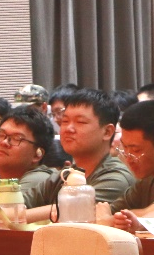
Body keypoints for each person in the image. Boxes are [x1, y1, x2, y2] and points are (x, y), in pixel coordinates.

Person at [20, 88, 136, 221]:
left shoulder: (116, 177)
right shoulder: (63, 176)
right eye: (65, 121)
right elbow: (18, 205)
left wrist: (16, 216)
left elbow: (72, 210)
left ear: (107, 132)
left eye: (80, 122)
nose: (68, 129)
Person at [0, 107, 58, 217]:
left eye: (17, 138)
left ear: (37, 154)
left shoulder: (41, 178)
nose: (4, 142)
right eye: (1, 134)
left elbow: (10, 206)